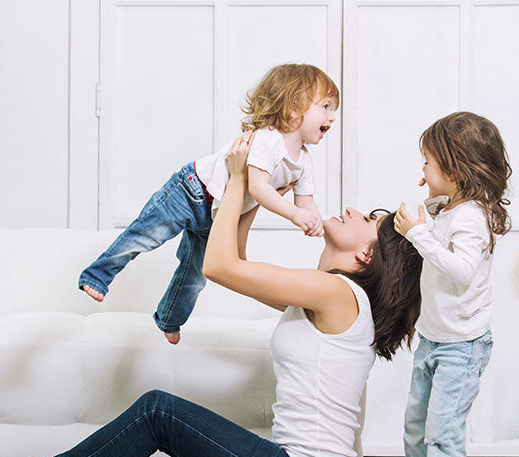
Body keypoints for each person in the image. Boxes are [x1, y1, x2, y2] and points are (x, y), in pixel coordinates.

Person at [0, 132, 422, 457]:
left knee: (158, 412)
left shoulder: (336, 294)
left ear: (366, 255)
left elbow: (217, 265)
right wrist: (254, 188)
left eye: (369, 220)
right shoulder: (330, 296)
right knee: (158, 412)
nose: (355, 210)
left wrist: (238, 180)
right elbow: (235, 263)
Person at [77, 63, 336, 345]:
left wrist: (314, 220)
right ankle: (97, 275)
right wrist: (295, 214)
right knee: (145, 235)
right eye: (325, 107)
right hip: (191, 191)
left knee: (195, 275)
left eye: (333, 109)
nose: (332, 117)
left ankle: (169, 319)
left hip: (217, 216)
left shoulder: (304, 162)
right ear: (294, 108)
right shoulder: (267, 140)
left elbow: (306, 200)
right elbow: (259, 188)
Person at [377, 111, 512, 457]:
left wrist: (419, 233)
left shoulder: (472, 217)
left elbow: (462, 271)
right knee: (417, 427)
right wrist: (432, 207)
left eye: (427, 162)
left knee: (443, 431)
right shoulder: (453, 210)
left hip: (462, 345)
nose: (422, 170)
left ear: (453, 170)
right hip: (434, 338)